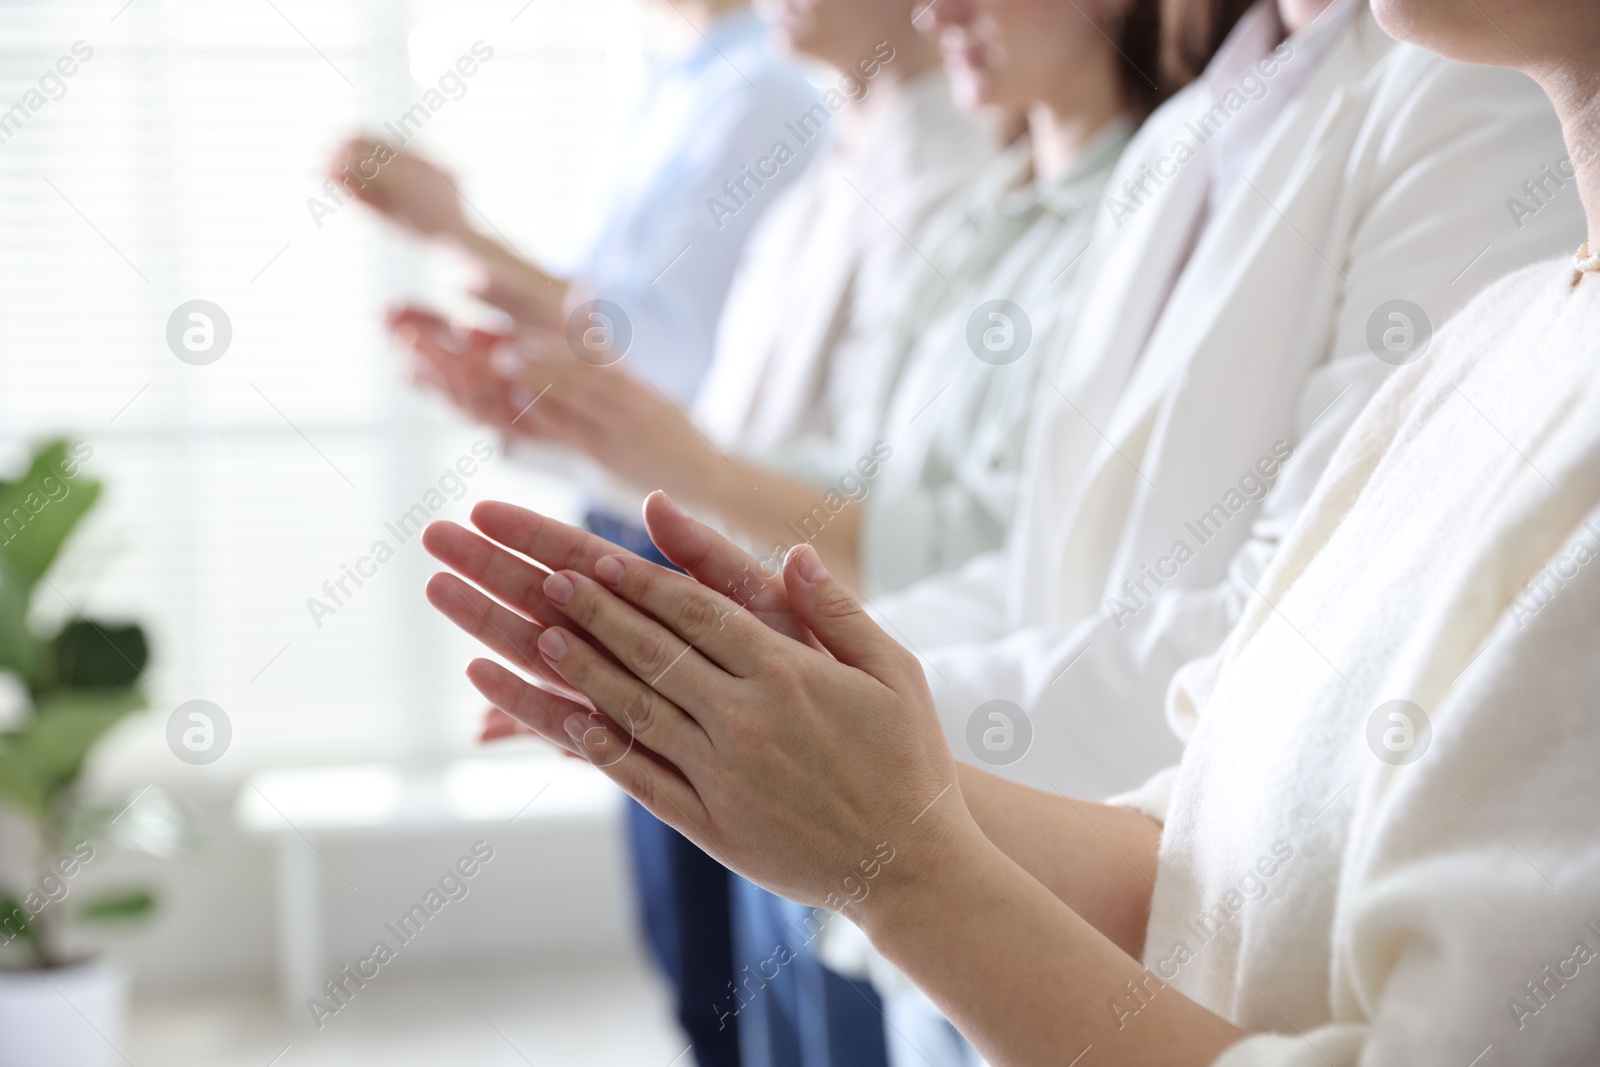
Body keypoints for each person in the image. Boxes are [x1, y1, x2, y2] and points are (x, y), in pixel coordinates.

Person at [421, 22, 1600, 1044]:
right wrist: (813, 743)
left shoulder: (1441, 128)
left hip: (1046, 855)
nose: (941, 17)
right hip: (1058, 858)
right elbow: (1213, 811)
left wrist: (896, 832)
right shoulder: (1492, 321)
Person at [339, 8, 818, 1067]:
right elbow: (607, 341)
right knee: (682, 938)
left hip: (689, 527)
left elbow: (661, 357)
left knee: (727, 962)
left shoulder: (767, 94)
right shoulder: (670, 83)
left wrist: (456, 231)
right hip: (632, 509)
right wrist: (506, 373)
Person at [470, 0, 1162, 597]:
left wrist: (697, 475)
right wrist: (606, 438)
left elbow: (982, 554)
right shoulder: (972, 210)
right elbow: (844, 465)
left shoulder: (1095, 215)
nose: (938, 10)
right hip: (803, 605)